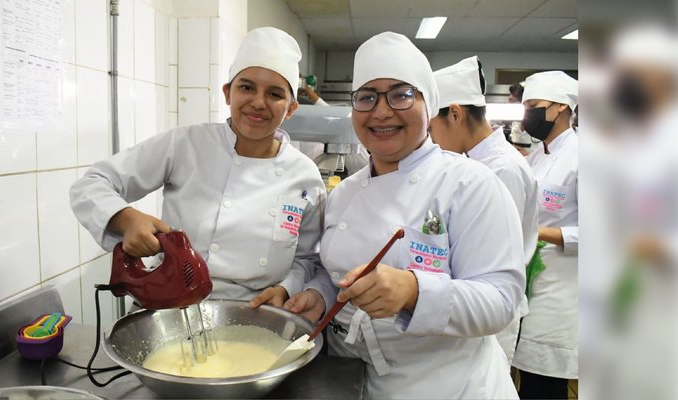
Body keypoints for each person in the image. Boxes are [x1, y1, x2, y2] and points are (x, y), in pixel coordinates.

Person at [283, 32, 525, 399]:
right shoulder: (345, 192)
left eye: (401, 94)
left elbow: (501, 300)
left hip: (449, 386)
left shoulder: (470, 183)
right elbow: (339, 274)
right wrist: (319, 294)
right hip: (357, 380)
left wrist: (414, 291)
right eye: (367, 97)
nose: (381, 111)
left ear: (429, 105)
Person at [69, 27, 326, 306]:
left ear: (290, 108)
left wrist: (287, 288)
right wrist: (126, 218)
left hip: (255, 310)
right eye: (246, 87)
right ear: (228, 93)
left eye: (275, 94)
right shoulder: (186, 144)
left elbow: (306, 257)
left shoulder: (304, 175)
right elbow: (91, 184)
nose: (258, 102)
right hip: (170, 301)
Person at [429, 55, 539, 366]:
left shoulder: (502, 169)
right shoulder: (473, 161)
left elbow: (493, 257)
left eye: (431, 127)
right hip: (468, 303)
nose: (431, 139)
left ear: (454, 114)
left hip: (489, 312)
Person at [511, 71, 579, 399]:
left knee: (547, 383)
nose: (529, 115)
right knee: (530, 379)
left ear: (560, 108)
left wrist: (537, 233)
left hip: (564, 287)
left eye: (535, 106)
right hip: (532, 280)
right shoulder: (537, 156)